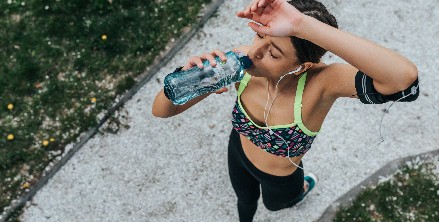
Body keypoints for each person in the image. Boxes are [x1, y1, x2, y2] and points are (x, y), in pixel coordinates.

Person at [152, 0, 420, 221]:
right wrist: (186, 78)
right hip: (238, 152)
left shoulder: (321, 84)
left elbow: (403, 79)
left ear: (302, 66)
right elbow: (161, 111)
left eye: (274, 53)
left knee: (274, 206)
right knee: (244, 202)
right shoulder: (237, 63)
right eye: (259, 35)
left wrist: (303, 26)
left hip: (280, 177)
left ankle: (303, 187)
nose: (255, 52)